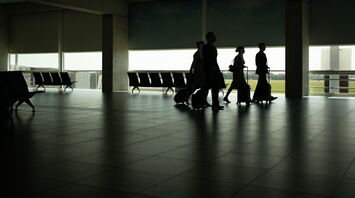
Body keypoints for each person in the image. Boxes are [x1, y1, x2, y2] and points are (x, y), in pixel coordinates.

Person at [201, 32, 225, 110]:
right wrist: (211, 68)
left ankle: (215, 104)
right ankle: (205, 102)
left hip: (213, 70)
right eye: (213, 36)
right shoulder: (207, 48)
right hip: (209, 71)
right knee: (210, 87)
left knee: (214, 88)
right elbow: (207, 60)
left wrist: (217, 70)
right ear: (210, 38)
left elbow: (214, 60)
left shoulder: (211, 47)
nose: (215, 37)